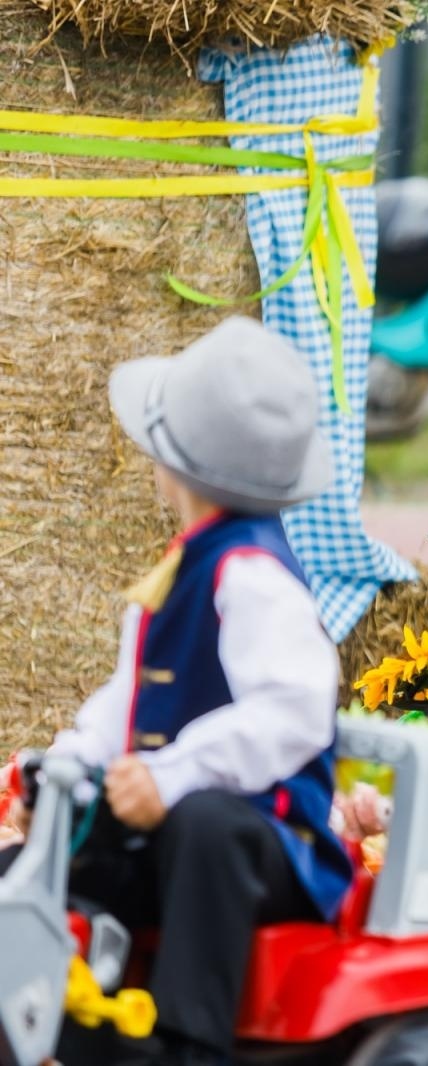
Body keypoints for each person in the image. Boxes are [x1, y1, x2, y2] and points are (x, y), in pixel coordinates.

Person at [1, 317, 348, 1065]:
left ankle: (189, 1043)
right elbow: (126, 700)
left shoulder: (251, 574)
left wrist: (171, 775)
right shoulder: (186, 564)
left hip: (270, 846)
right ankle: (63, 1002)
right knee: (56, 842)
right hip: (168, 819)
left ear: (174, 463)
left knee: (206, 825)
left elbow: (295, 711)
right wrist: (64, 770)